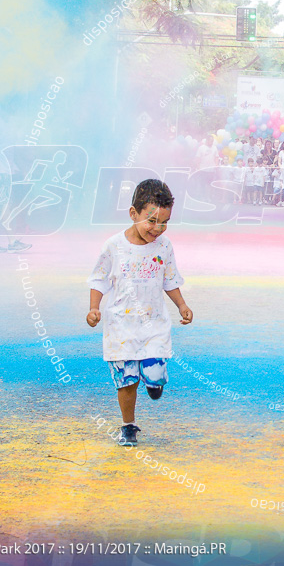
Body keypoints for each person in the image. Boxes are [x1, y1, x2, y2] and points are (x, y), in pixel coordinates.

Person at [86, 179, 193, 448]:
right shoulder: (114, 246)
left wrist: (182, 305)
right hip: (120, 326)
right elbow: (99, 279)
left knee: (154, 374)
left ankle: (154, 381)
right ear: (133, 214)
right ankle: (128, 426)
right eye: (151, 220)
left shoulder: (164, 247)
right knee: (127, 381)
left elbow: (170, 280)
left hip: (153, 324)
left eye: (164, 222)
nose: (157, 229)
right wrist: (93, 308)